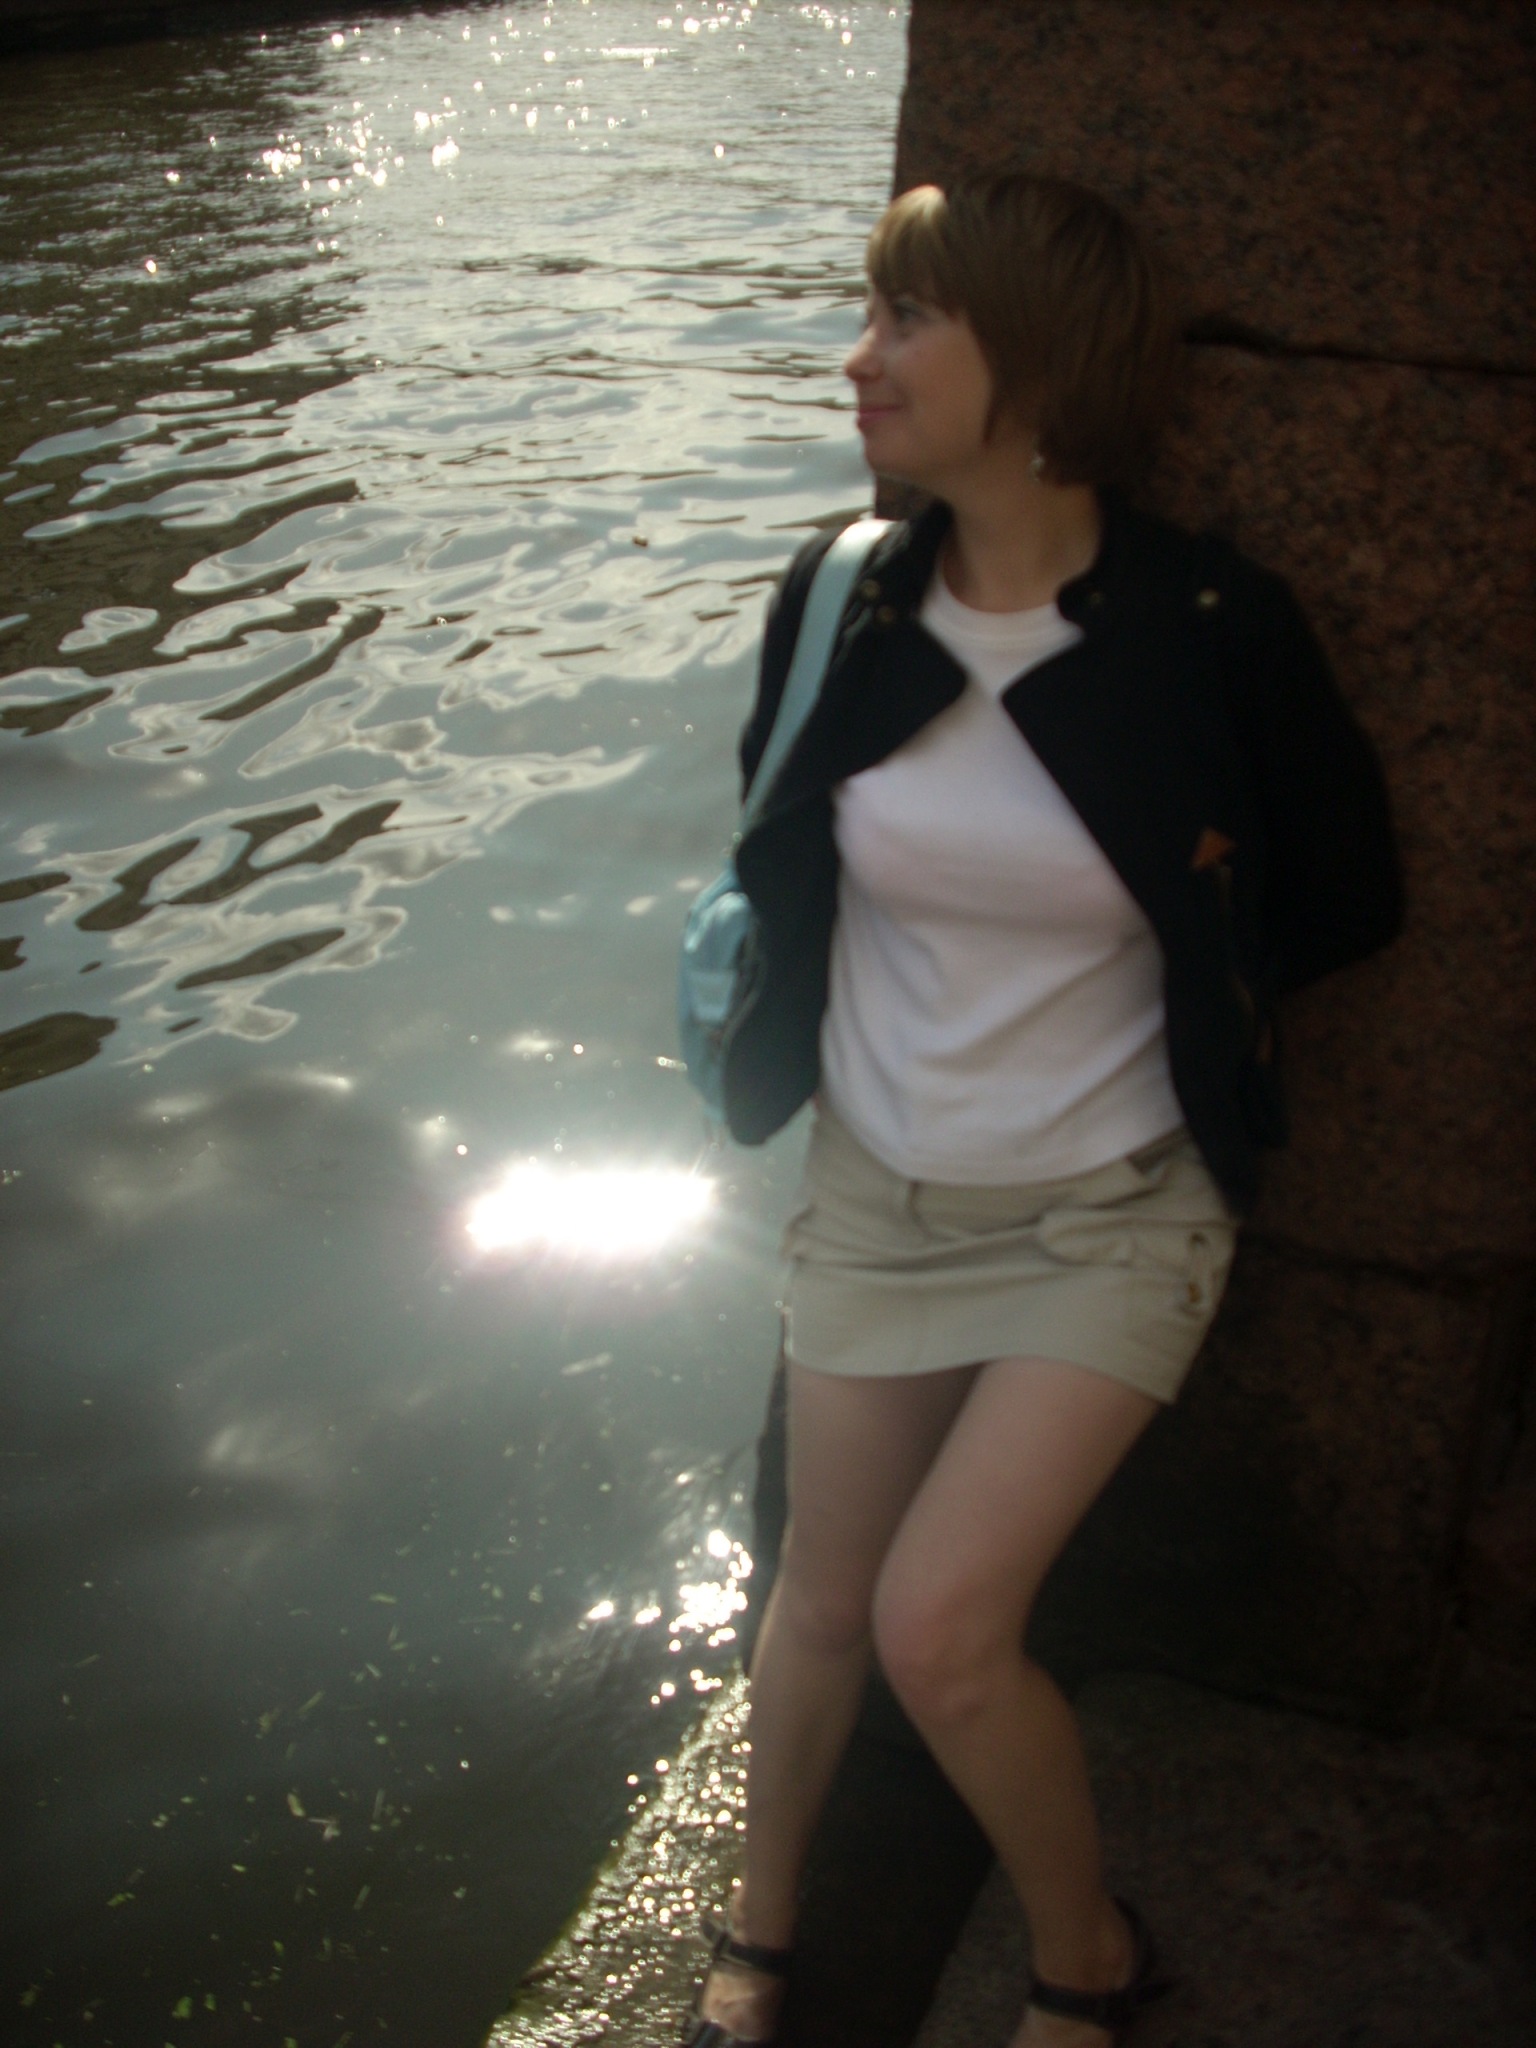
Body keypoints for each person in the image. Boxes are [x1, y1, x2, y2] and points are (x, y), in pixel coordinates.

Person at [681, 174, 1401, 2048]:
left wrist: (1174, 1023)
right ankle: (760, 1934)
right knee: (816, 1602)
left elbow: (1345, 897)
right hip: (876, 1189)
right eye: (872, 309)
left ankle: (1089, 1957)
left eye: (909, 317)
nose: (861, 357)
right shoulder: (842, 596)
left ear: (1049, 366)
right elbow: (778, 839)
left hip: (1111, 1209)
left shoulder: (1215, 628)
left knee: (938, 1631)